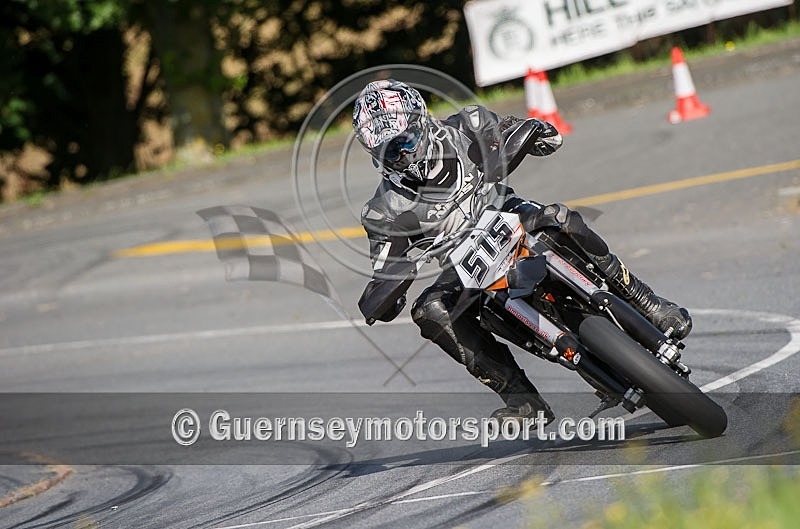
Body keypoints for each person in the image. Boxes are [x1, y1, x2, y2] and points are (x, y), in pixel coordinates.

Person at [353, 79, 692, 425]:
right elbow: (384, 272)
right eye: (390, 151)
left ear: (420, 123)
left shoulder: (467, 124)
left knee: (561, 218)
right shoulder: (382, 211)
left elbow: (516, 133)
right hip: (462, 264)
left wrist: (533, 132)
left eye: (405, 141)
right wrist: (388, 293)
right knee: (429, 309)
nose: (404, 155)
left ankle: (648, 304)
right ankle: (521, 399)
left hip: (512, 215)